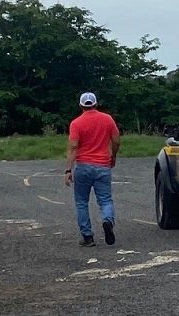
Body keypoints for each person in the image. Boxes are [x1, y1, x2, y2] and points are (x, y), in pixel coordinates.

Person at [64, 91, 121, 247]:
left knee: (82, 202)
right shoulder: (107, 119)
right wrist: (113, 156)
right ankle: (108, 221)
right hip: (103, 165)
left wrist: (68, 170)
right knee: (105, 199)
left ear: (81, 106)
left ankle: (87, 236)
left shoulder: (76, 123)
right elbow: (116, 140)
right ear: (96, 104)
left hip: (83, 166)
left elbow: (73, 147)